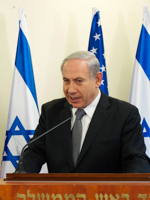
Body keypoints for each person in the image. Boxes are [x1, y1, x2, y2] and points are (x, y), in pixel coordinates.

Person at [22, 51, 150, 173]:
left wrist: (139, 188)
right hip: (59, 195)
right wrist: (20, 178)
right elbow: (34, 152)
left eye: (79, 81)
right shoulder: (51, 111)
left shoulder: (124, 114)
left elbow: (135, 159)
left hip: (105, 194)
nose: (70, 89)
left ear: (97, 80)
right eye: (66, 81)